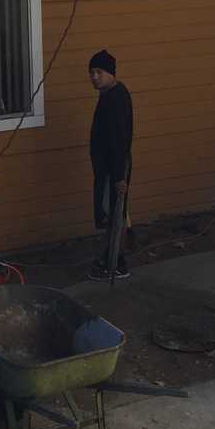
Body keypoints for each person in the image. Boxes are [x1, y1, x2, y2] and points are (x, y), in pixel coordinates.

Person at [88, 49, 133, 280]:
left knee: (114, 213)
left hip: (113, 170)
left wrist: (118, 178)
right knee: (111, 212)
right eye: (91, 72)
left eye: (99, 72)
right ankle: (109, 256)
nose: (94, 76)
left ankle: (116, 262)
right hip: (108, 168)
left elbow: (118, 141)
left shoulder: (115, 99)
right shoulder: (109, 95)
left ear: (110, 73)